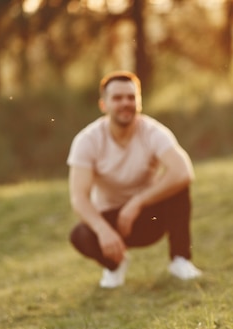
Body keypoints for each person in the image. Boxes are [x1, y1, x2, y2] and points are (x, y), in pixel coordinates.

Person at [67, 70, 202, 288]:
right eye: (117, 98)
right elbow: (79, 198)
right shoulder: (87, 140)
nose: (125, 103)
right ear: (104, 105)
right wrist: (103, 230)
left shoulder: (153, 131)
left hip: (148, 218)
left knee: (179, 188)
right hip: (111, 222)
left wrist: (137, 202)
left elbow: (183, 171)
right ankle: (114, 265)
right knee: (79, 235)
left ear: (139, 102)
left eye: (131, 97)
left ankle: (180, 260)